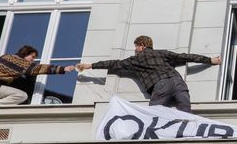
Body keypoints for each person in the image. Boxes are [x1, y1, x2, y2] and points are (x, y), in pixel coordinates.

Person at [76, 35, 221, 113]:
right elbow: (185, 56)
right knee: (185, 110)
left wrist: (90, 65)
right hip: (178, 81)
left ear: (142, 46)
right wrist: (210, 60)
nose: (135, 50)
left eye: (136, 47)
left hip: (161, 85)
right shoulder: (162, 53)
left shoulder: (136, 59)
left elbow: (114, 64)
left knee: (154, 113)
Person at [0, 45, 76, 106]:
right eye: (32, 57)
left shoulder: (6, 56)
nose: (33, 60)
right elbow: (40, 68)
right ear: (25, 54)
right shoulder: (23, 64)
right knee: (22, 95)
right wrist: (63, 69)